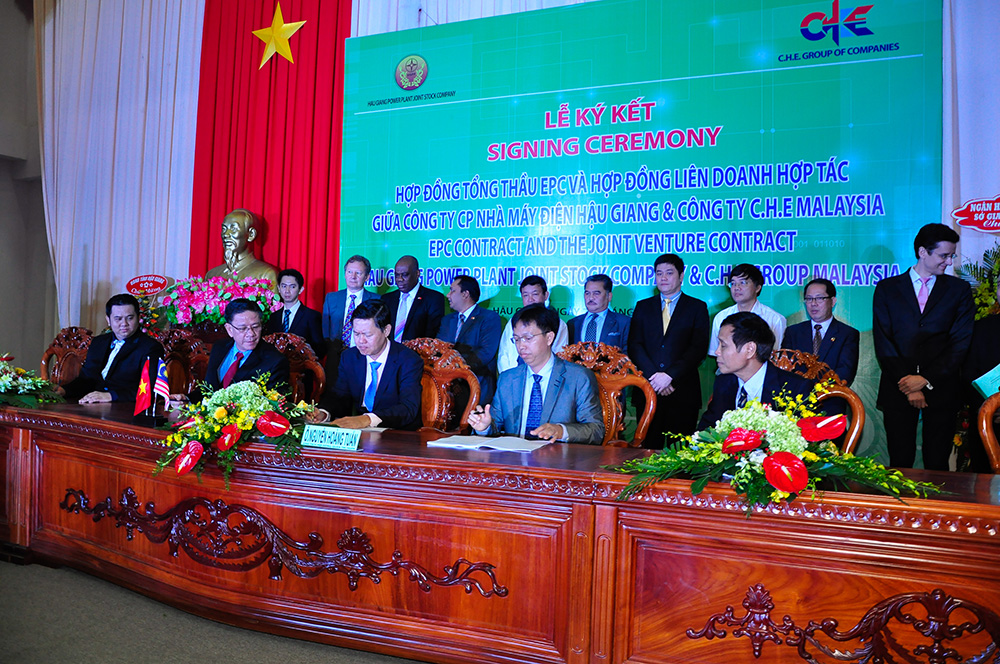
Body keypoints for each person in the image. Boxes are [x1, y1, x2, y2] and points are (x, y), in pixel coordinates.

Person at [873, 223, 975, 470]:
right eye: (944, 255)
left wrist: (926, 379)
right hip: (898, 388)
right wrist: (908, 385)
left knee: (938, 464)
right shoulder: (887, 288)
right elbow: (884, 341)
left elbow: (959, 343)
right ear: (922, 252)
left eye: (951, 256)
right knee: (900, 462)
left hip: (942, 388)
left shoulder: (959, 290)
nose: (949, 262)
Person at [469, 305, 603, 444]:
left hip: (556, 455)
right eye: (516, 339)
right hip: (515, 454)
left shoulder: (578, 377)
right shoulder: (507, 379)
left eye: (528, 338)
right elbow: (495, 425)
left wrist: (561, 431)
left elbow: (596, 430)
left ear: (549, 338)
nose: (521, 346)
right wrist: (484, 427)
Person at [628, 254, 710, 445]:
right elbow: (635, 345)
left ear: (681, 276)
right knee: (647, 450)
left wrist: (669, 376)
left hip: (682, 390)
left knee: (680, 452)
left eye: (669, 273)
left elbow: (698, 348)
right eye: (659, 273)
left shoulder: (697, 307)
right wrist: (655, 377)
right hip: (648, 389)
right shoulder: (643, 306)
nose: (663, 278)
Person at [698, 312, 814, 430]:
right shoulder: (724, 382)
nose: (717, 352)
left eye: (723, 345)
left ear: (750, 349)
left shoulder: (796, 389)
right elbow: (705, 431)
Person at [318, 300, 423, 430]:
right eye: (356, 334)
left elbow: (408, 408)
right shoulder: (350, 357)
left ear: (386, 330)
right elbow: (339, 395)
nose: (361, 341)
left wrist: (368, 419)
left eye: (368, 335)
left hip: (398, 432)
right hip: (362, 431)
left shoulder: (408, 360)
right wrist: (323, 412)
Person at [176, 298, 290, 402]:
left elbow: (275, 405)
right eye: (243, 328)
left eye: (256, 327)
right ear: (229, 329)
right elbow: (209, 390)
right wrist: (186, 399)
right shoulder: (220, 347)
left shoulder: (275, 361)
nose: (251, 334)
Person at [62, 294, 163, 403]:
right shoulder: (98, 342)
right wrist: (64, 390)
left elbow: (151, 389)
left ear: (138, 318)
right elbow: (86, 379)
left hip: (125, 408)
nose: (124, 324)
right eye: (118, 319)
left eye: (130, 318)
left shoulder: (150, 347)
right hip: (91, 404)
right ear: (108, 320)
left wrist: (111, 396)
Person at [437, 275, 503, 404]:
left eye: (452, 291)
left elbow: (486, 352)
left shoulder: (488, 318)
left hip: (477, 387)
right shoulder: (447, 320)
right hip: (448, 390)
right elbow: (439, 348)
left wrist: (456, 369)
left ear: (465, 294)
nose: (448, 295)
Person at [784, 278, 860, 385]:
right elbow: (786, 369)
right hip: (798, 394)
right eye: (809, 299)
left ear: (833, 301)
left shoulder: (847, 334)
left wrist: (819, 391)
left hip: (831, 393)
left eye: (819, 298)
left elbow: (845, 372)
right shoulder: (793, 332)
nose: (813, 303)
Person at [321, 255, 378, 385]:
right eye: (349, 272)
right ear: (345, 274)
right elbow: (325, 330)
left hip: (364, 357)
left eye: (358, 273)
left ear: (367, 277)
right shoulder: (331, 298)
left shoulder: (376, 300)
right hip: (335, 359)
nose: (353, 276)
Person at [708, 263, 786, 356]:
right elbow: (717, 353)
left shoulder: (775, 319)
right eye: (733, 283)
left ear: (758, 288)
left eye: (743, 283)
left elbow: (776, 357)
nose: (736, 288)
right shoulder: (721, 317)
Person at [963, 280, 1000, 473]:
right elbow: (968, 373)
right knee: (985, 482)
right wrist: (990, 407)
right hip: (988, 419)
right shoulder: (980, 328)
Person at [497, 275, 569, 373]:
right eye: (525, 295)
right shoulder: (514, 321)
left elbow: (560, 353)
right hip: (515, 374)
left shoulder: (557, 322)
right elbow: (504, 354)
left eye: (535, 294)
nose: (530, 299)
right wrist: (509, 376)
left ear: (546, 295)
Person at [204, 209, 279, 284]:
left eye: (233, 229)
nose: (225, 235)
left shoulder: (266, 275)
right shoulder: (212, 275)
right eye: (224, 229)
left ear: (251, 234)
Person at [382, 255, 445, 342]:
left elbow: (432, 334)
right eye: (396, 275)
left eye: (404, 275)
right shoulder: (386, 299)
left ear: (417, 273)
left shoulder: (433, 299)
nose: (399, 279)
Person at [263, 268, 324, 356]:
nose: (287, 291)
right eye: (284, 286)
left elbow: (320, 349)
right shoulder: (274, 316)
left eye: (292, 286)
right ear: (279, 288)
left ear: (300, 289)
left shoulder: (311, 316)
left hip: (302, 363)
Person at [567, 274, 631, 351]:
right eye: (587, 293)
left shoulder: (624, 323)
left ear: (609, 296)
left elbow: (628, 353)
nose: (591, 298)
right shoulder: (572, 324)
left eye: (596, 293)